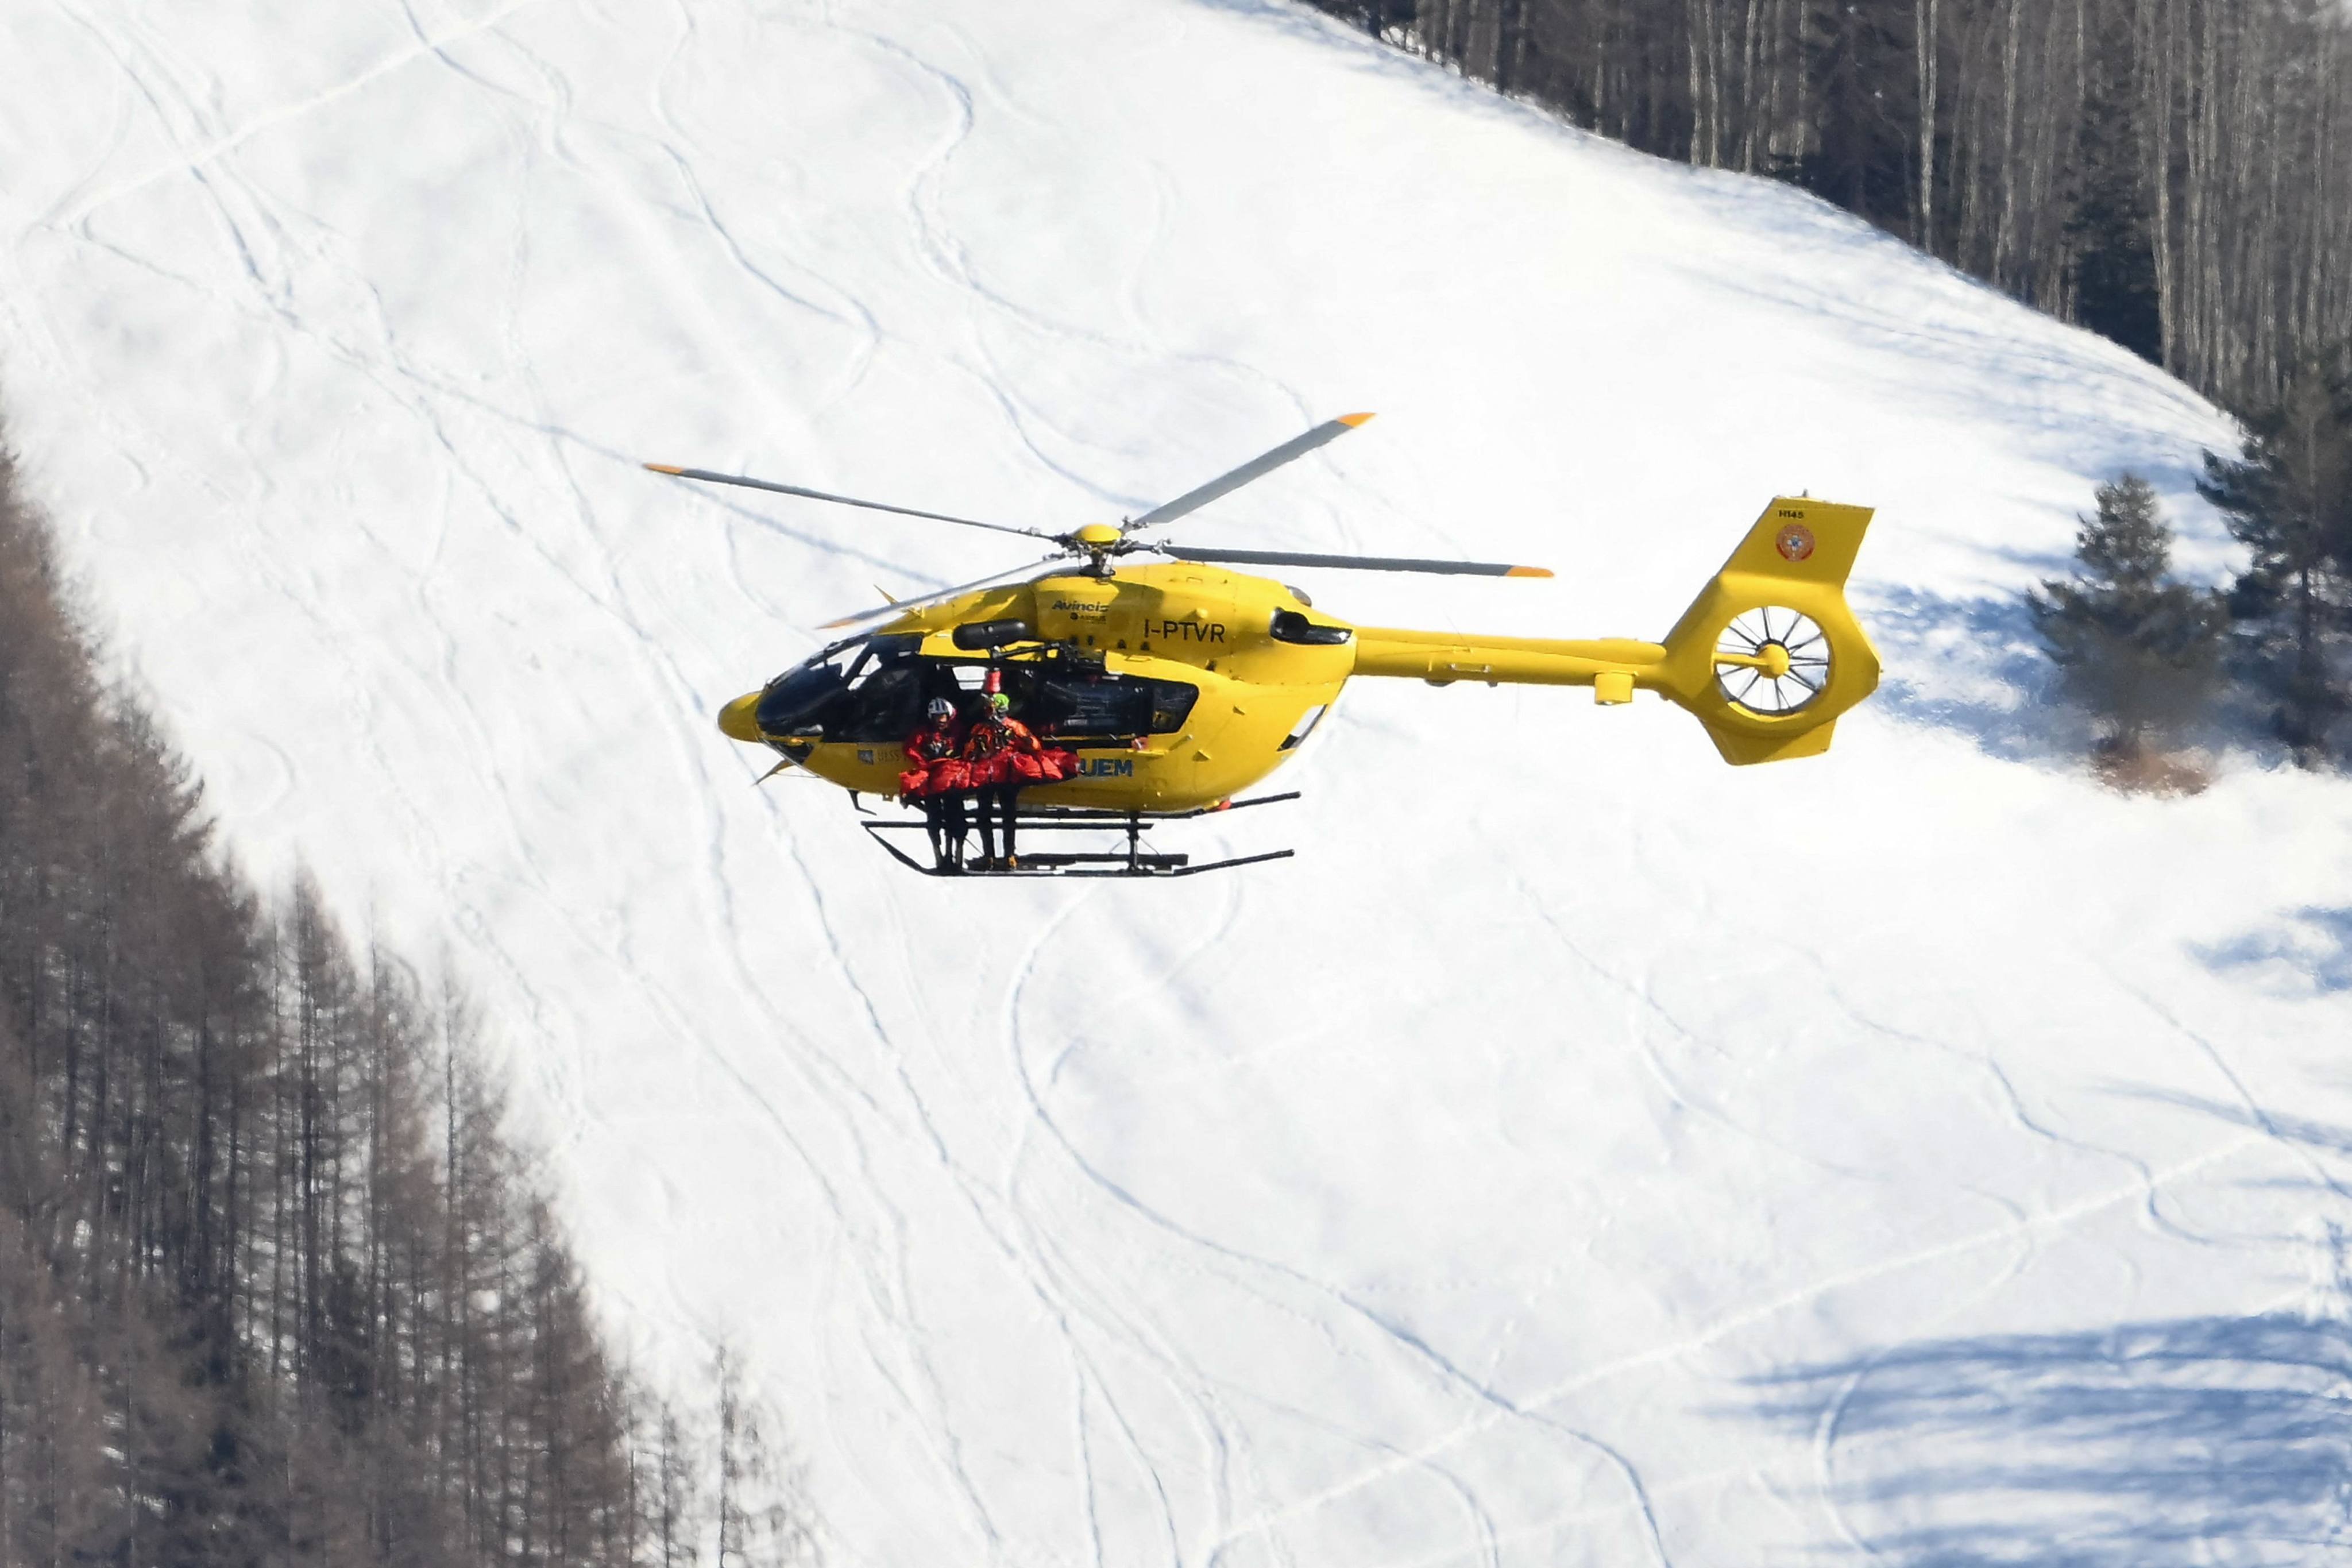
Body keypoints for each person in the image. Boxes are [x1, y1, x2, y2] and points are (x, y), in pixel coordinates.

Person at [959, 677, 1078, 870]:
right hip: (989, 777)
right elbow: (969, 753)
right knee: (989, 817)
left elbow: (1035, 746)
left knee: (1003, 817)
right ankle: (992, 856)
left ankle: (1007, 855)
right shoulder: (983, 729)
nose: (988, 712)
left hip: (1005, 777)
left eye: (990, 709)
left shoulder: (1012, 728)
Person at [899, 697, 970, 870]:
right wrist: (925, 762)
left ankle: (958, 851)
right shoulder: (923, 733)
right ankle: (939, 854)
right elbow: (909, 748)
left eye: (944, 717)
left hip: (952, 780)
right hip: (931, 783)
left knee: (956, 817)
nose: (941, 721)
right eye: (937, 717)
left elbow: (969, 746)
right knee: (934, 818)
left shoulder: (958, 731)